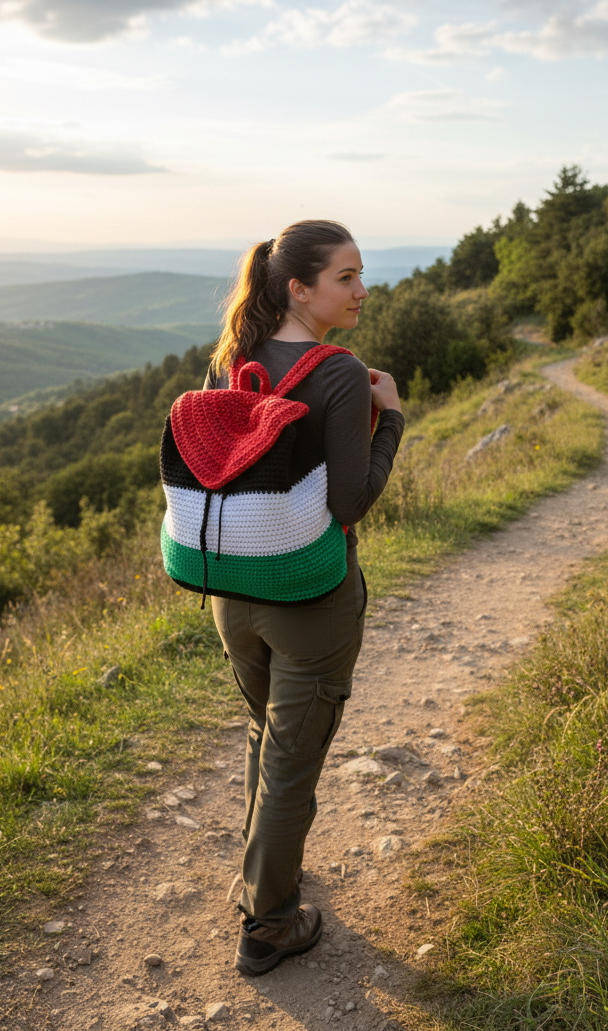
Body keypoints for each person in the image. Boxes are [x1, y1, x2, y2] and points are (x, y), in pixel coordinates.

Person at [206, 219, 404, 975]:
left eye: (361, 274)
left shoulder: (235, 357)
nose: (361, 291)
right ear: (299, 288)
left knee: (267, 735)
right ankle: (270, 925)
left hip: (231, 590)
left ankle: (263, 877)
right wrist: (392, 418)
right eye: (346, 278)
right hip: (311, 597)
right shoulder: (341, 374)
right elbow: (350, 503)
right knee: (291, 761)